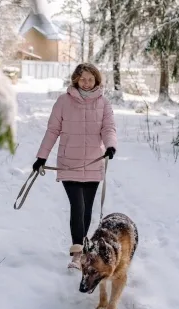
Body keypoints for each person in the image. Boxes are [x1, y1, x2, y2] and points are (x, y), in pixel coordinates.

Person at [33, 63, 117, 270]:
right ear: (76, 80)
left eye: (90, 79)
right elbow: (52, 130)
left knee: (86, 209)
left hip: (93, 163)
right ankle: (77, 254)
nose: (86, 83)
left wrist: (110, 146)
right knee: (77, 207)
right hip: (69, 164)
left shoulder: (104, 103)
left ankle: (83, 249)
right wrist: (42, 157)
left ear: (96, 80)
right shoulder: (63, 101)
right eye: (82, 79)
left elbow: (108, 128)